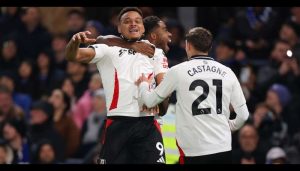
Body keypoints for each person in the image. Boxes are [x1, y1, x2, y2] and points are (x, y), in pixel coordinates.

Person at [65, 7, 165, 164]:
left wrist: (159, 105)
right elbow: (73, 55)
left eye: (137, 21)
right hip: (119, 123)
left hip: (148, 124)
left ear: (143, 27)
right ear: (119, 28)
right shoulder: (107, 50)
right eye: (127, 21)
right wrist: (74, 42)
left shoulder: (155, 53)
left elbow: (164, 87)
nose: (133, 24)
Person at [136, 27, 249, 164]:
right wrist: (229, 126)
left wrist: (143, 85)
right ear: (210, 46)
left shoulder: (178, 71)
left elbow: (149, 101)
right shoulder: (228, 72)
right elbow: (243, 115)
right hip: (223, 148)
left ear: (188, 45)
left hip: (194, 150)